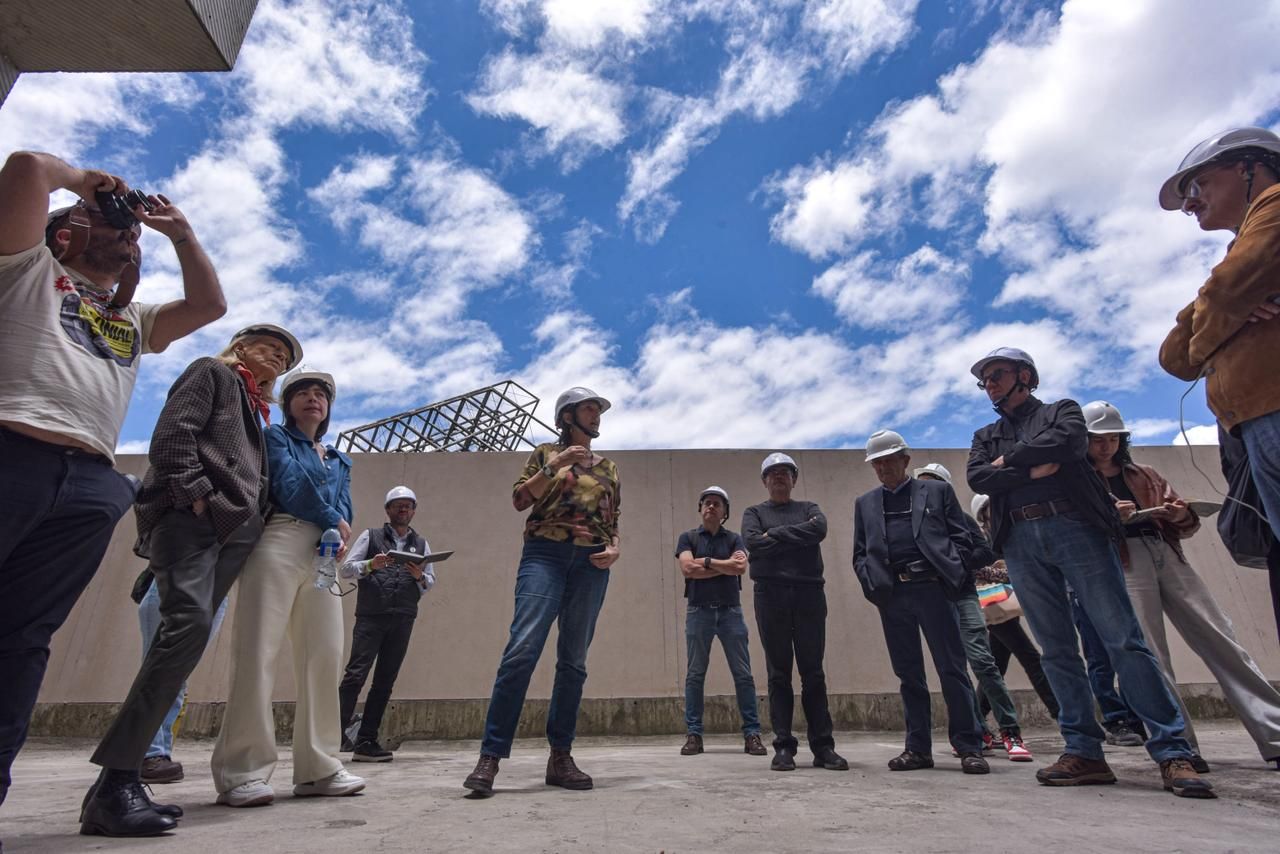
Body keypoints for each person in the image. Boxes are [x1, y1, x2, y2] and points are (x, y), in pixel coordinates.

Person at [0, 150, 226, 813]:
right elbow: (23, 170)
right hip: (12, 452)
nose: (128, 237)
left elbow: (209, 303)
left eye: (132, 235)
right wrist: (88, 186)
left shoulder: (132, 318)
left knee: (21, 643)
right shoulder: (25, 268)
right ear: (64, 232)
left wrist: (179, 233)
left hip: (90, 483)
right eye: (108, 225)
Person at [966, 347, 1212, 798]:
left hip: (1075, 528)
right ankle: (1084, 751)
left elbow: (1066, 445)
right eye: (984, 380)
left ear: (1025, 375)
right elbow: (979, 478)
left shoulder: (1064, 412)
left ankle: (1172, 751)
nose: (990, 385)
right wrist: (1030, 466)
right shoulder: (986, 435)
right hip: (1019, 540)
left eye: (997, 375)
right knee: (1056, 650)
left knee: (1123, 639)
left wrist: (1010, 463)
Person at [82, 324, 296, 836]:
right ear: (241, 346)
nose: (278, 357)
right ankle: (116, 781)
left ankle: (118, 782)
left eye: (286, 356)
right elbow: (174, 433)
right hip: (193, 518)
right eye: (270, 346)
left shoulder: (257, 410)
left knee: (187, 640)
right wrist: (197, 495)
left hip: (232, 531)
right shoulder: (211, 372)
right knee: (185, 627)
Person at [1084, 399, 1280, 769]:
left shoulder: (1145, 473)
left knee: (1221, 640)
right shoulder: (1080, 483)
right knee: (1152, 655)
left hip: (1166, 552)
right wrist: (1111, 517)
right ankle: (1181, 747)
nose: (1105, 445)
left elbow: (1187, 526)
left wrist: (1181, 513)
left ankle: (1274, 734)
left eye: (1112, 437)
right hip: (1123, 563)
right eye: (1097, 439)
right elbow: (1080, 535)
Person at [211, 370, 365, 807]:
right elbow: (287, 484)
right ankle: (242, 771)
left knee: (324, 655)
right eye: (302, 393)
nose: (313, 399)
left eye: (321, 394)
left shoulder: (340, 458)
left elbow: (346, 506)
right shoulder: (274, 438)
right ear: (288, 403)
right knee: (258, 650)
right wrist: (333, 518)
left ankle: (318, 767)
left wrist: (340, 530)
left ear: (329, 407)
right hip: (279, 539)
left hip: (323, 551)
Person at [463, 387, 621, 797]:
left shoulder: (610, 468)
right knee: (522, 651)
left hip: (591, 565)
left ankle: (561, 758)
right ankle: (490, 758)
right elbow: (519, 500)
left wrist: (615, 547)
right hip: (545, 556)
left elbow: (612, 516)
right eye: (590, 409)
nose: (597, 415)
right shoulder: (544, 453)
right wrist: (555, 465)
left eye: (598, 410)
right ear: (568, 415)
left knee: (574, 662)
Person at [1158, 128, 1280, 551]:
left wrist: (1225, 303)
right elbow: (1175, 357)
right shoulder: (1240, 248)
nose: (1189, 203)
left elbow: (1226, 292)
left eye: (1198, 184)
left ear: (1249, 167)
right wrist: (1227, 310)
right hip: (1254, 420)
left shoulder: (1275, 205)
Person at [853, 433, 990, 774]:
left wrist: (950, 574)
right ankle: (917, 749)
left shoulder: (938, 492)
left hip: (933, 591)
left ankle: (969, 746)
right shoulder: (865, 503)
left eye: (889, 460)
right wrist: (872, 584)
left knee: (952, 668)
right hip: (892, 595)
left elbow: (962, 538)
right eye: (877, 462)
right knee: (908, 674)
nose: (883, 467)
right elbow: (860, 553)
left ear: (906, 460)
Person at [914, 462, 1032, 762]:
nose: (926, 490)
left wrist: (956, 562)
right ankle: (977, 731)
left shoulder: (961, 520)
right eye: (922, 484)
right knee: (953, 669)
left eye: (933, 484)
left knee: (983, 661)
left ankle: (1010, 730)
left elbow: (986, 551)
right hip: (934, 600)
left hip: (963, 595)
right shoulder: (915, 523)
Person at [741, 453, 847, 773]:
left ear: (794, 478)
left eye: (784, 472)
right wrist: (795, 536)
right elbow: (751, 542)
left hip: (809, 594)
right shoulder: (753, 512)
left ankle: (823, 746)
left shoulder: (810, 509)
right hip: (770, 596)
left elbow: (819, 529)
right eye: (772, 474)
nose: (778, 478)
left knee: (813, 672)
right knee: (779, 673)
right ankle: (784, 746)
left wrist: (773, 536)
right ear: (764, 481)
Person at [338, 485, 437, 762]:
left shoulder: (422, 543)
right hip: (372, 615)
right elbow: (346, 569)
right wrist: (371, 565)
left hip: (403, 617)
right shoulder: (371, 537)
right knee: (355, 675)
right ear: (388, 510)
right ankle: (331, 734)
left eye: (408, 506)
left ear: (414, 511)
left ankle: (367, 740)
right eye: (398, 505)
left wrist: (419, 576)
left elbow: (430, 583)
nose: (403, 510)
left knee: (384, 681)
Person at [675, 486, 766, 757]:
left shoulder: (736, 539)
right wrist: (721, 565)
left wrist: (706, 563)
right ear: (700, 508)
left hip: (731, 613)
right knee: (695, 675)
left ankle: (752, 734)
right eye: (706, 503)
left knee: (743, 675)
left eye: (717, 503)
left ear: (725, 512)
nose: (711, 507)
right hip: (698, 611)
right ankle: (694, 735)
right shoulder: (687, 537)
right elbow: (687, 570)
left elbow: (740, 568)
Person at [970, 495, 1061, 726]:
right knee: (1031, 658)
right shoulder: (983, 537)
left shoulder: (1006, 533)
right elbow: (978, 569)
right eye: (992, 508)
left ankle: (976, 721)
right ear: (984, 512)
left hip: (1004, 608)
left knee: (997, 665)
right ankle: (1062, 714)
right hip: (994, 606)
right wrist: (1007, 573)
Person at [135, 576, 230, 784]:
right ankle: (146, 755)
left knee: (178, 674)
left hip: (215, 589)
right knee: (158, 671)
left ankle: (160, 753)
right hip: (175, 579)